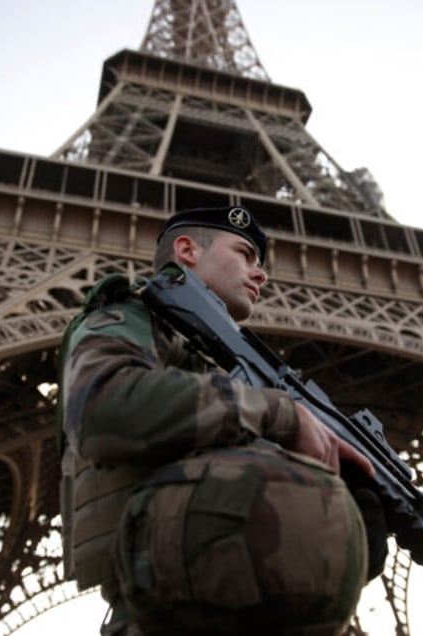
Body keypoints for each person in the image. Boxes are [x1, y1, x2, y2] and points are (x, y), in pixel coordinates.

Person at [58, 205, 387, 635]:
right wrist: (281, 414)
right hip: (175, 612)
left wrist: (341, 523)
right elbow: (103, 407)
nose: (261, 273)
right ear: (187, 249)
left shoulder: (226, 367)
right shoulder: (131, 318)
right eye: (245, 253)